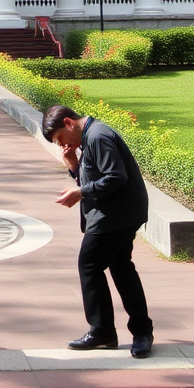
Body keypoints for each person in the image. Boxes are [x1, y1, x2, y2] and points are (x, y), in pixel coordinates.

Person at [41, 104, 154, 359]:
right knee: (121, 268)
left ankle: (103, 331)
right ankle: (140, 332)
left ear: (69, 123)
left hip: (115, 215)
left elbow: (115, 176)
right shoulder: (91, 136)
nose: (61, 144)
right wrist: (73, 165)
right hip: (120, 213)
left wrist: (80, 192)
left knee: (89, 266)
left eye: (60, 138)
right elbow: (95, 176)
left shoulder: (98, 136)